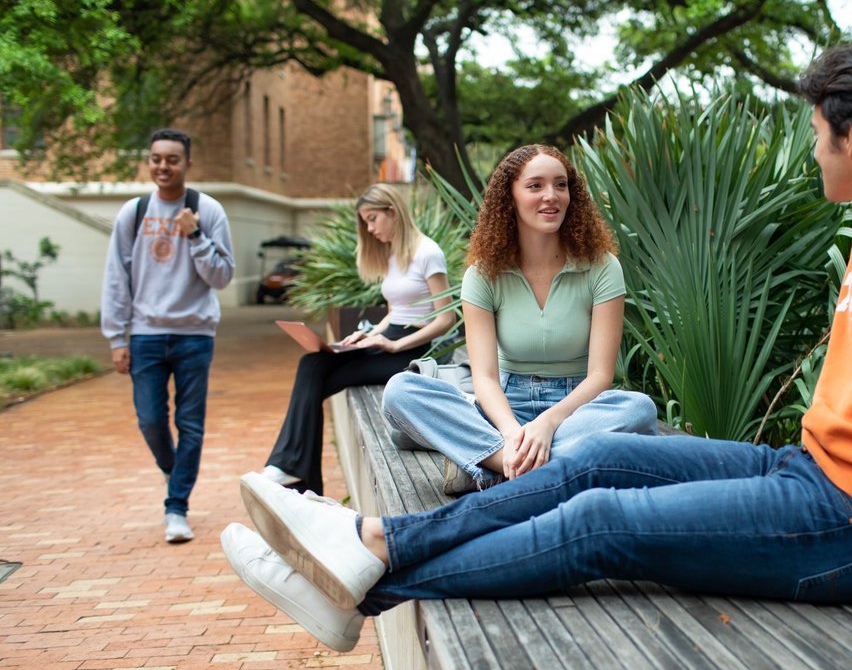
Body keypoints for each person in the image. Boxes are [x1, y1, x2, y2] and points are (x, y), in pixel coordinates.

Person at [221, 40, 852, 654]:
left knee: (601, 526)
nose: (813, 154)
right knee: (599, 458)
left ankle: (365, 572)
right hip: (811, 477)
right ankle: (369, 544)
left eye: (816, 137)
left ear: (851, 137)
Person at [379, 144, 657, 493]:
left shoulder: (601, 267)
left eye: (560, 184)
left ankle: (489, 464)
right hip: (502, 410)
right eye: (535, 185)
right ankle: (518, 461)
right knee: (400, 392)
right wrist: (512, 434)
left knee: (639, 410)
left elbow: (601, 376)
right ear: (509, 197)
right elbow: (484, 377)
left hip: (575, 411)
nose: (551, 196)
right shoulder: (482, 275)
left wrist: (548, 423)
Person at [258, 183, 455, 495]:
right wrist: (371, 333)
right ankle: (292, 470)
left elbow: (446, 319)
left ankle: (293, 471)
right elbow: (396, 312)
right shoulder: (395, 253)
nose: (369, 227)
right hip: (388, 340)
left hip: (411, 351)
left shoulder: (429, 253)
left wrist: (394, 345)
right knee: (313, 363)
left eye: (373, 218)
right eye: (365, 221)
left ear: (393, 212)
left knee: (315, 373)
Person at [102, 128, 235, 544]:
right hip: (145, 334)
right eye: (157, 158)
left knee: (190, 423)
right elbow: (115, 278)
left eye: (172, 159)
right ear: (150, 161)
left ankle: (176, 507)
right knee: (150, 420)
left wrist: (195, 236)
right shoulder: (134, 212)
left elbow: (223, 276)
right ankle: (173, 469)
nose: (164, 166)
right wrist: (116, 337)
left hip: (195, 334)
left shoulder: (207, 210)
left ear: (187, 164)